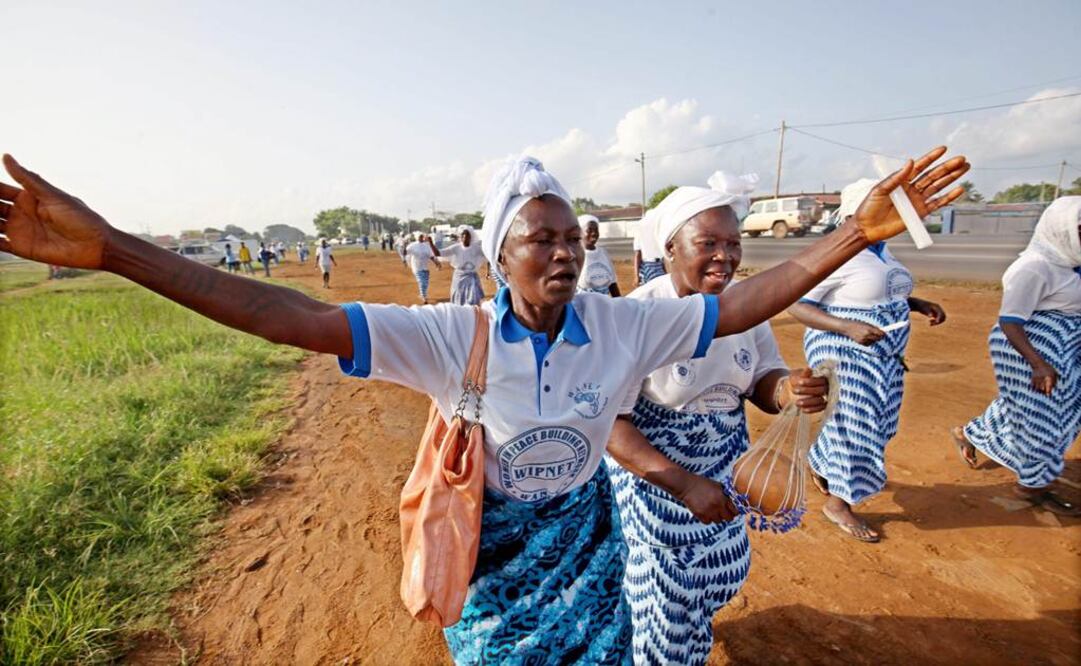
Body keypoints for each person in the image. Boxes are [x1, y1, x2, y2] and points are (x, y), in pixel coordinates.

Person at [0, 148, 967, 664]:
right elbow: (284, 314)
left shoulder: (620, 326)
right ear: (498, 255)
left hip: (587, 548)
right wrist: (118, 251)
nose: (560, 252)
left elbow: (747, 303)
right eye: (537, 239)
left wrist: (850, 234)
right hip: (494, 556)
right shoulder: (448, 335)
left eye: (570, 237)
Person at [605, 172, 828, 665]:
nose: (725, 255)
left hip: (726, 467)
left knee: (721, 572)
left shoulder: (745, 309)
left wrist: (788, 388)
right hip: (656, 478)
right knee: (665, 595)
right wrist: (684, 485)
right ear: (670, 248)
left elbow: (761, 380)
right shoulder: (637, 314)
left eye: (733, 242)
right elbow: (610, 426)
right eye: (707, 242)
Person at [787, 178, 949, 543]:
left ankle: (822, 462)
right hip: (844, 351)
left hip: (884, 354)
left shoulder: (881, 251)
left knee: (879, 423)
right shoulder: (837, 254)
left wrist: (917, 303)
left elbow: (872, 294)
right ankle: (838, 503)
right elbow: (796, 303)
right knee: (859, 425)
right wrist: (846, 327)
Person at [952, 196, 1081, 516]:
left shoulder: (1072, 262)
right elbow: (1010, 321)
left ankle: (968, 433)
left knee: (1058, 409)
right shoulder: (1034, 267)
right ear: (1063, 229)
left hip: (1065, 346)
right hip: (1027, 348)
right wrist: (1038, 364)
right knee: (1044, 421)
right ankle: (1031, 487)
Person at [441, 225, 486, 305]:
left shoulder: (476, 248)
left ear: (470, 238)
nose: (465, 239)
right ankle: (460, 313)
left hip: (471, 276)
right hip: (459, 277)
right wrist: (430, 243)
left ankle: (472, 314)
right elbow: (440, 253)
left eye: (467, 237)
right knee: (459, 297)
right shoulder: (456, 248)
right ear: (461, 238)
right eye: (463, 237)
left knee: (473, 298)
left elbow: (486, 253)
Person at [577, 215, 620, 296]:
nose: (594, 233)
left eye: (596, 230)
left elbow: (612, 284)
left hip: (604, 305)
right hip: (583, 307)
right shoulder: (575, 255)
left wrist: (620, 304)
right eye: (589, 230)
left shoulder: (603, 253)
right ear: (580, 232)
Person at [405, 232, 442, 304]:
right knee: (421, 282)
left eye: (422, 236)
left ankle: (423, 294)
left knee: (426, 283)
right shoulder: (412, 245)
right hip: (417, 267)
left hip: (425, 267)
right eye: (420, 236)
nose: (422, 238)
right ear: (417, 237)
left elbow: (431, 256)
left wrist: (436, 263)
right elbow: (406, 251)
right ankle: (423, 297)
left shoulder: (426, 246)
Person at [633, 210, 666, 287]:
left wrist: (636, 276)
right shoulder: (662, 229)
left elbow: (637, 254)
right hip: (663, 264)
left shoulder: (640, 229)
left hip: (647, 265)